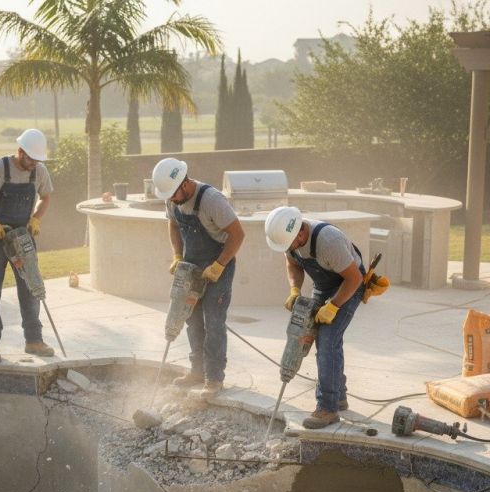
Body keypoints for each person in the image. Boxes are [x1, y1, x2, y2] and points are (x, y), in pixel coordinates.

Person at [264, 205, 367, 429]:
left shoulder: (328, 241)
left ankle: (327, 408)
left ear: (301, 233)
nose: (288, 248)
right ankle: (338, 395)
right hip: (324, 286)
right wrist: (295, 290)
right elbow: (293, 265)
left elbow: (354, 278)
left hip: (349, 284)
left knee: (328, 340)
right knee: (316, 336)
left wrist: (333, 306)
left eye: (290, 244)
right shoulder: (289, 239)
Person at [151, 157, 245, 400]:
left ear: (185, 183)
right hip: (191, 265)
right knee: (191, 318)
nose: (171, 199)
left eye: (173, 193)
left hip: (218, 263)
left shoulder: (211, 200)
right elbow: (173, 225)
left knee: (214, 321)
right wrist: (176, 255)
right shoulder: (172, 200)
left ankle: (214, 378)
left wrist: (219, 265)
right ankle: (196, 371)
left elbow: (237, 234)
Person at [0, 128, 55, 363]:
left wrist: (36, 218)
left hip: (23, 238)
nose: (34, 164)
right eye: (31, 159)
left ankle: (33, 340)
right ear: (20, 151)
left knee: (30, 290)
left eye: (38, 160)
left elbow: (46, 196)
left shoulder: (40, 171)